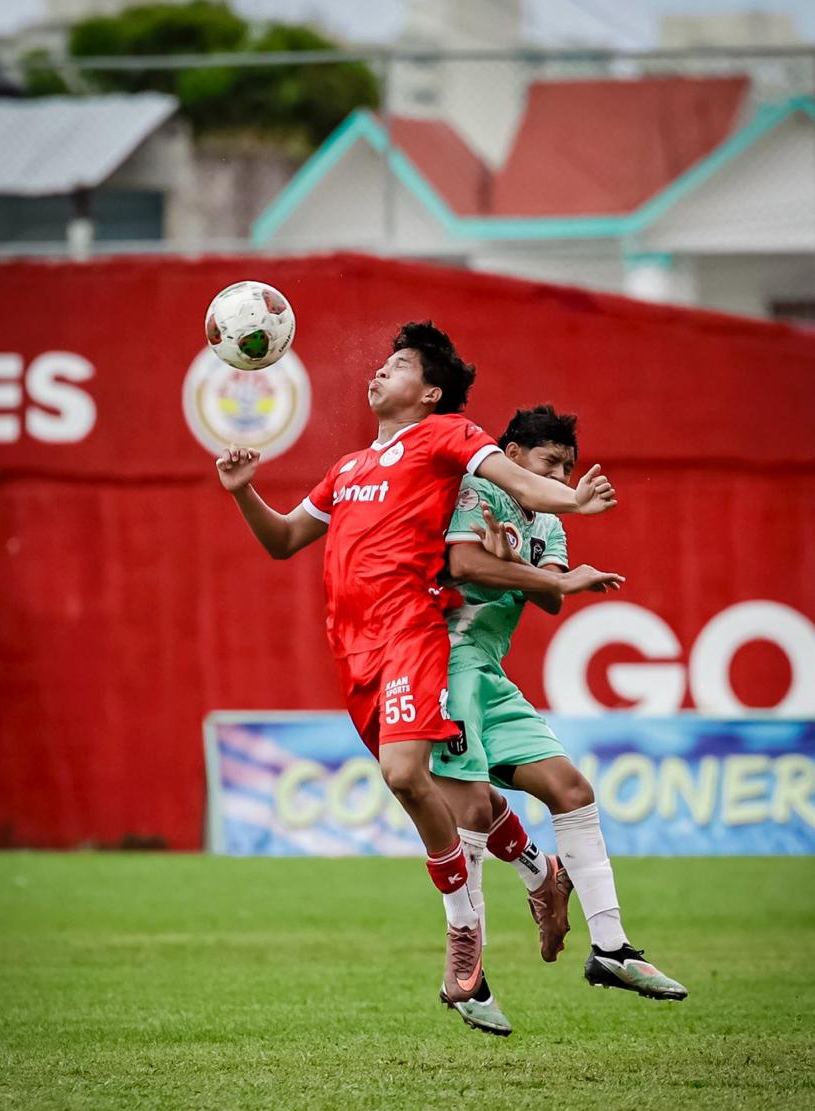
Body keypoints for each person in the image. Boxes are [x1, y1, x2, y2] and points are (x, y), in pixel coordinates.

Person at [216, 323, 616, 1024]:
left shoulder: (447, 436)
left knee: (406, 777)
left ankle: (465, 935)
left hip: (415, 633)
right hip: (355, 651)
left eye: (396, 365)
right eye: (381, 362)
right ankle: (538, 872)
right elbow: (283, 542)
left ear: (429, 392)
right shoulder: (346, 469)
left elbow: (516, 478)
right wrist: (243, 491)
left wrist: (569, 501)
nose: (378, 373)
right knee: (456, 794)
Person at [431, 404, 688, 1036]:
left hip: (489, 674)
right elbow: (463, 567)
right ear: (513, 455)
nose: (562, 475)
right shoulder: (479, 486)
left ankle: (612, 949)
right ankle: (470, 976)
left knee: (571, 790)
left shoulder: (546, 517)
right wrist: (528, 568)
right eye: (551, 463)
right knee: (471, 810)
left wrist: (531, 566)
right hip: (442, 666)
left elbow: (547, 595)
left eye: (568, 466)